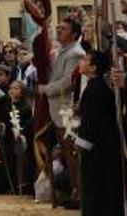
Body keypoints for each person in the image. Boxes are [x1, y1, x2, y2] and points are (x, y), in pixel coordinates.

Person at [39, 17, 84, 207]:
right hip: (58, 111)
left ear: (74, 34)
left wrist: (46, 89)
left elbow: (68, 82)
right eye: (58, 28)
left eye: (63, 29)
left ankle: (79, 193)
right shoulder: (62, 51)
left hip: (67, 111)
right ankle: (74, 190)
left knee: (72, 154)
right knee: (66, 154)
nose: (59, 31)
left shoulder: (75, 53)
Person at [73, 50, 122, 215]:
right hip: (99, 145)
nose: (81, 62)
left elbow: (93, 121)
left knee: (97, 187)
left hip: (99, 148)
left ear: (93, 68)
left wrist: (81, 142)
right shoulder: (95, 86)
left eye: (85, 60)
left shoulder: (96, 89)